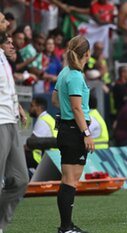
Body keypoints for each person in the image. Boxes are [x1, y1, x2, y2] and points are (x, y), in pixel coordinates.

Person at [52, 35, 94, 233]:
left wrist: (68, 109)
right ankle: (66, 227)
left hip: (66, 128)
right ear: (87, 53)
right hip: (74, 130)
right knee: (70, 180)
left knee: (68, 179)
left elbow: (54, 99)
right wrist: (86, 132)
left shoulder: (64, 73)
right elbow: (77, 108)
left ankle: (66, 225)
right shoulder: (76, 75)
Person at [0, 25, 29, 233]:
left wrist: (17, 106)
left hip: (11, 121)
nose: (13, 45)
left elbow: (7, 89)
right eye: (8, 42)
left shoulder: (5, 62)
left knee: (20, 179)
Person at [26, 96, 57, 169]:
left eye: (32, 106)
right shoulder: (49, 118)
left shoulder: (42, 121)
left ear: (39, 107)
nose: (29, 109)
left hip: (46, 159)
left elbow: (31, 144)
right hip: (54, 156)